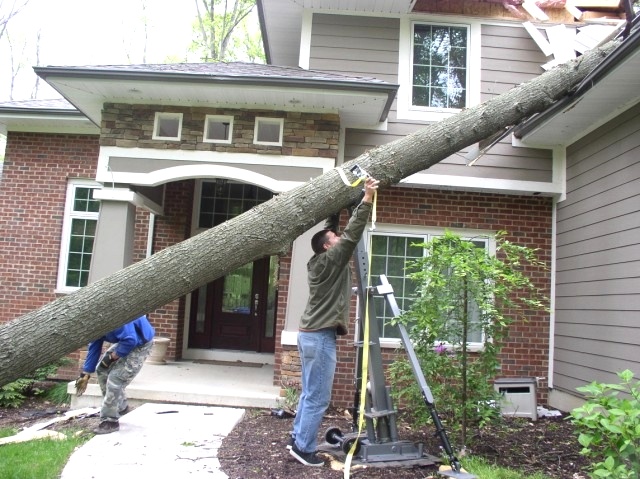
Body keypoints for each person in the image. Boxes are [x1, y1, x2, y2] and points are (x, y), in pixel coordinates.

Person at [289, 176, 379, 467]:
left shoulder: (318, 262)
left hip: (308, 335)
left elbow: (339, 233)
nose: (340, 239)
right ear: (328, 247)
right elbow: (352, 235)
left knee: (308, 392)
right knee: (318, 397)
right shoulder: (331, 260)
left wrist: (338, 201)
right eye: (335, 239)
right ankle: (303, 448)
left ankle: (297, 437)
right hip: (320, 337)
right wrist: (366, 199)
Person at [74, 314, 155, 434]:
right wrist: (86, 373)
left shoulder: (113, 316)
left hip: (141, 344)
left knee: (116, 378)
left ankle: (110, 421)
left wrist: (113, 356)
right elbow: (94, 345)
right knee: (101, 369)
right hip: (128, 340)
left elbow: (130, 339)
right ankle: (119, 407)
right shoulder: (95, 323)